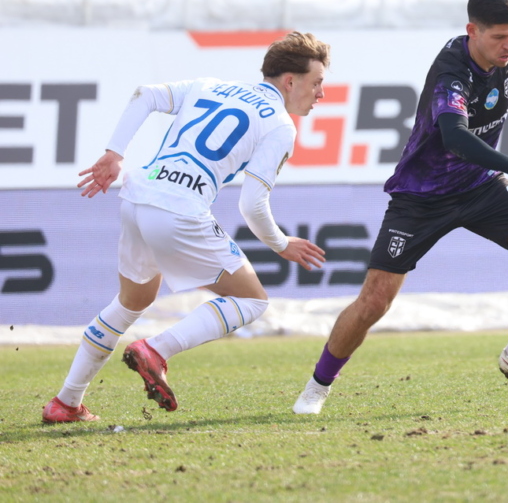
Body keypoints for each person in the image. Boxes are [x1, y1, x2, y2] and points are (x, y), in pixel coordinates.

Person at [292, 0, 508, 414]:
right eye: (498, 37)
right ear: (472, 31)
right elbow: (455, 137)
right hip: (421, 197)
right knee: (375, 301)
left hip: (480, 186)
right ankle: (317, 387)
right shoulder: (452, 73)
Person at [42, 32, 330, 423]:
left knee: (132, 301)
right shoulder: (280, 125)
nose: (321, 93)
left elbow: (145, 95)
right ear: (291, 81)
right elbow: (252, 204)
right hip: (180, 210)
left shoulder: (210, 86)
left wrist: (114, 153)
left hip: (138, 197)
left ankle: (66, 402)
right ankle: (156, 350)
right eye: (317, 83)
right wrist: (281, 244)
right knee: (252, 301)